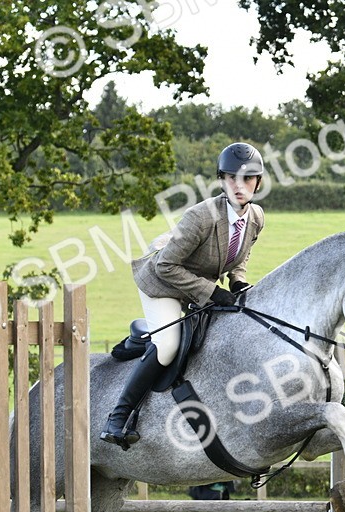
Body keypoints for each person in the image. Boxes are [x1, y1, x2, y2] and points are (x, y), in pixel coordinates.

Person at [101, 142, 266, 449]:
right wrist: (211, 292)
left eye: (247, 179)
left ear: (258, 182)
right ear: (222, 180)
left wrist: (238, 281)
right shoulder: (201, 216)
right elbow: (165, 265)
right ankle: (118, 418)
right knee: (168, 344)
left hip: (195, 284)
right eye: (232, 178)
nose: (239, 185)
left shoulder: (256, 217)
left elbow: (241, 255)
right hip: (161, 282)